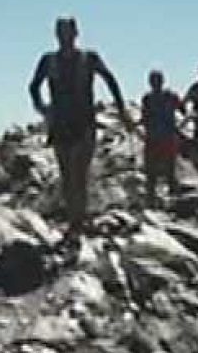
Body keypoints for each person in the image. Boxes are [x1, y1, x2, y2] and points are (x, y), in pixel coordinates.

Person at [28, 17, 132, 248]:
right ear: (56, 34)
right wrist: (42, 107)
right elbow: (34, 85)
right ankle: (73, 221)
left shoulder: (89, 58)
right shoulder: (49, 60)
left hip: (84, 123)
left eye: (68, 31)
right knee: (67, 176)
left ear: (76, 33)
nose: (65, 35)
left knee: (79, 174)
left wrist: (122, 108)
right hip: (60, 124)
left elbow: (110, 79)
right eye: (61, 31)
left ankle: (77, 224)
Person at [139, 69, 184, 205]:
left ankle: (171, 200)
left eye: (156, 80)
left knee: (165, 170)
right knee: (155, 171)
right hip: (158, 137)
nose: (155, 83)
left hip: (162, 137)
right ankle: (154, 199)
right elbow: (183, 110)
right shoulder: (154, 98)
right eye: (154, 81)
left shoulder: (168, 96)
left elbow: (182, 110)